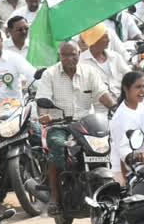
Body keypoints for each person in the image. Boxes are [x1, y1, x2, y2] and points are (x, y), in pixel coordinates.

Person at [36, 41, 114, 214]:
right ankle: (55, 198)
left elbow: (102, 94)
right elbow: (42, 99)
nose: (69, 58)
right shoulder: (50, 74)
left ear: (80, 54)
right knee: (57, 146)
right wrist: (43, 115)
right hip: (59, 125)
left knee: (108, 144)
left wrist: (115, 107)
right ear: (59, 56)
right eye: (65, 55)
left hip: (85, 124)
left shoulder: (89, 72)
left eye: (73, 54)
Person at [79, 23, 129, 113]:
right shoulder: (81, 63)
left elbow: (129, 77)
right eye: (105, 37)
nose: (109, 40)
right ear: (94, 41)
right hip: (100, 111)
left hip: (124, 104)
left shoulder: (115, 56)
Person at [110, 72, 144, 184]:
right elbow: (120, 150)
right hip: (123, 172)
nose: (142, 91)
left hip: (140, 167)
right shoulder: (120, 117)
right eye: (138, 87)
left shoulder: (142, 105)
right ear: (126, 89)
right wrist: (127, 180)